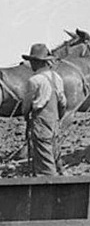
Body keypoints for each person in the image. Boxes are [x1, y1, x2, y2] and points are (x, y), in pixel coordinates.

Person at [22, 43, 67, 175]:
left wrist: (27, 117)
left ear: (37, 62)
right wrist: (57, 118)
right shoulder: (57, 78)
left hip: (41, 122)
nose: (31, 64)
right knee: (54, 152)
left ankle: (49, 183)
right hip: (54, 121)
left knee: (44, 160)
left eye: (32, 61)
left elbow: (26, 107)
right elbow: (63, 103)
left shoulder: (34, 81)